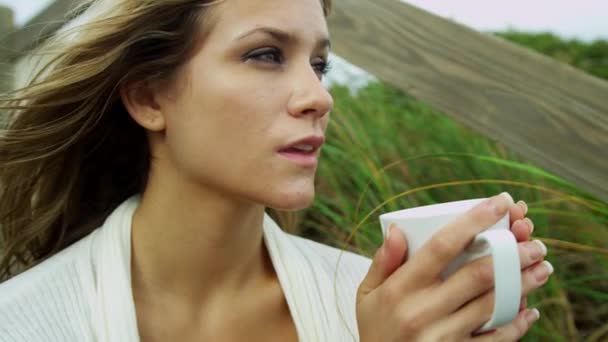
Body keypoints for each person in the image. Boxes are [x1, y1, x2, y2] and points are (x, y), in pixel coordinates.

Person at [0, 0, 552, 341]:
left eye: (319, 64)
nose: (318, 96)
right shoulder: (20, 323)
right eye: (265, 55)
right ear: (149, 98)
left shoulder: (379, 307)